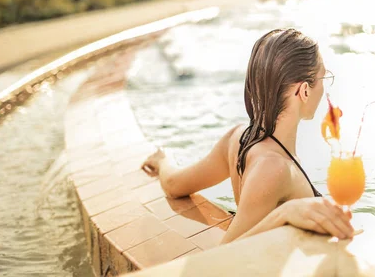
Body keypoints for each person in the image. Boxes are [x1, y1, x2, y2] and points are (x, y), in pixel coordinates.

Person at [141, 28, 354, 244]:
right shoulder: (274, 168)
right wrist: (286, 213)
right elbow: (223, 255)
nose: (325, 87)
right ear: (304, 91)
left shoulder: (239, 137)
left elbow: (174, 185)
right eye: (323, 77)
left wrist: (163, 160)